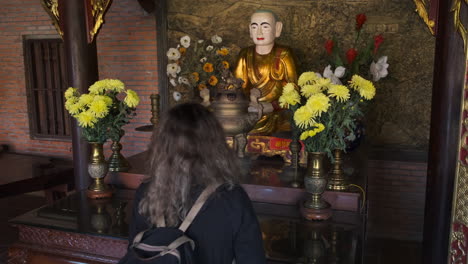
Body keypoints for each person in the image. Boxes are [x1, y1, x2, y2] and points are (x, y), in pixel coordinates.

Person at [128, 103, 266, 264]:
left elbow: (134, 252)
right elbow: (252, 258)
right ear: (216, 145)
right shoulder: (232, 197)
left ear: (161, 145)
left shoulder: (146, 193)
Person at [234, 10, 298, 136]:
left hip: (276, 112)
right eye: (254, 27)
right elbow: (237, 88)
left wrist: (273, 106)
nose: (259, 32)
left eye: (265, 26)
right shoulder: (245, 55)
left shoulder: (284, 54)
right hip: (251, 109)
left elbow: (294, 90)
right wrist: (249, 103)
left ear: (277, 28)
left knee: (290, 121)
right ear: (250, 30)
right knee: (232, 118)